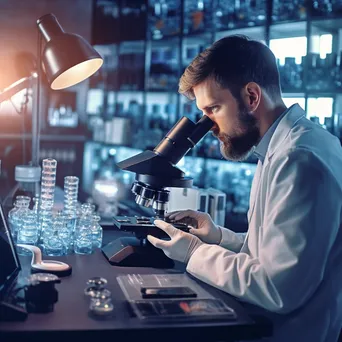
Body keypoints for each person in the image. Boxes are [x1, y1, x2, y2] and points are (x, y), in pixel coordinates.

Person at [147, 35, 342, 342]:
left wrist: (196, 252)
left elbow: (277, 287)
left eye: (213, 108)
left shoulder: (300, 159)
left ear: (252, 96)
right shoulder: (281, 147)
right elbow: (270, 254)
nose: (208, 126)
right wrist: (218, 237)